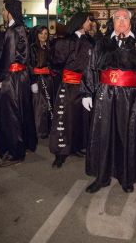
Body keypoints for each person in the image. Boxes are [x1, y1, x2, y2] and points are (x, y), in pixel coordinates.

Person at [81, 8, 136, 193]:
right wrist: (87, 92)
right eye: (117, 18)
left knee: (127, 134)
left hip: (131, 98)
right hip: (105, 95)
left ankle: (126, 176)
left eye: (124, 18)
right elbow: (91, 68)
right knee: (104, 135)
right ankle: (102, 176)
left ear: (130, 21)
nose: (121, 21)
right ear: (112, 21)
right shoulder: (102, 43)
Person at [0, 0, 37, 167]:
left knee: (10, 115)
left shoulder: (13, 30)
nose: (3, 13)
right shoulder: (21, 28)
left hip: (12, 78)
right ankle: (24, 145)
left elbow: (8, 57)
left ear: (9, 11)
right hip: (22, 76)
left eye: (4, 10)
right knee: (22, 112)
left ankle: (15, 152)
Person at [49, 13, 94, 168]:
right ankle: (60, 152)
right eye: (88, 20)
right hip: (68, 86)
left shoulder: (90, 42)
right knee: (64, 119)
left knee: (81, 118)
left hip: (84, 86)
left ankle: (77, 146)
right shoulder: (65, 42)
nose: (91, 23)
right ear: (81, 22)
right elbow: (56, 63)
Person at [29, 26, 54, 139]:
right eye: (41, 33)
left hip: (48, 79)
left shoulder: (49, 47)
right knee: (39, 105)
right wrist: (33, 81)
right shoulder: (32, 48)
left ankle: (48, 128)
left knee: (49, 103)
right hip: (37, 79)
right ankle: (39, 130)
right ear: (37, 35)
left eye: (46, 33)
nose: (43, 36)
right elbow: (30, 65)